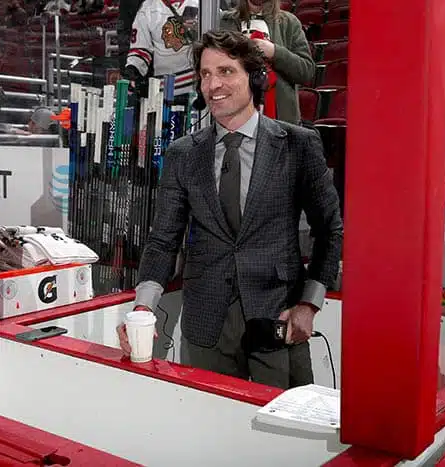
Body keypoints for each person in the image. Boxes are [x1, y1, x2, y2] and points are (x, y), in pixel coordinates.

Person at [117, 30, 343, 389]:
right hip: (206, 323)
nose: (213, 84)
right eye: (206, 74)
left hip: (279, 319)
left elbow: (330, 228)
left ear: (253, 77)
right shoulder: (183, 154)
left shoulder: (298, 145)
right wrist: (143, 307)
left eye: (225, 72)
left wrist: (309, 304)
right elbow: (163, 240)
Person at [220, 0, 314, 125]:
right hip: (235, 118)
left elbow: (306, 71)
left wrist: (275, 52)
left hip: (280, 122)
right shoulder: (225, 22)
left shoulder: (289, 22)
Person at [123, 0, 200, 96]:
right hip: (162, 91)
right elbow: (141, 49)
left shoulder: (202, 4)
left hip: (196, 88)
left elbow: (216, 37)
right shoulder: (148, 7)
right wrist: (133, 70)